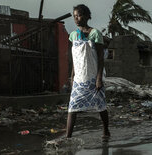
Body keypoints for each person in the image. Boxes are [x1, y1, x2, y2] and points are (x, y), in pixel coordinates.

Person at [66, 4, 110, 139]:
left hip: (93, 78)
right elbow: (75, 58)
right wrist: (72, 76)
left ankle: (105, 130)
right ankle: (68, 137)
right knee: (72, 107)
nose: (76, 18)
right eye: (74, 16)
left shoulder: (95, 33)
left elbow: (101, 59)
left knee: (101, 106)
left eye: (79, 15)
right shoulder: (73, 35)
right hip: (79, 78)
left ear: (86, 16)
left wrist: (98, 79)